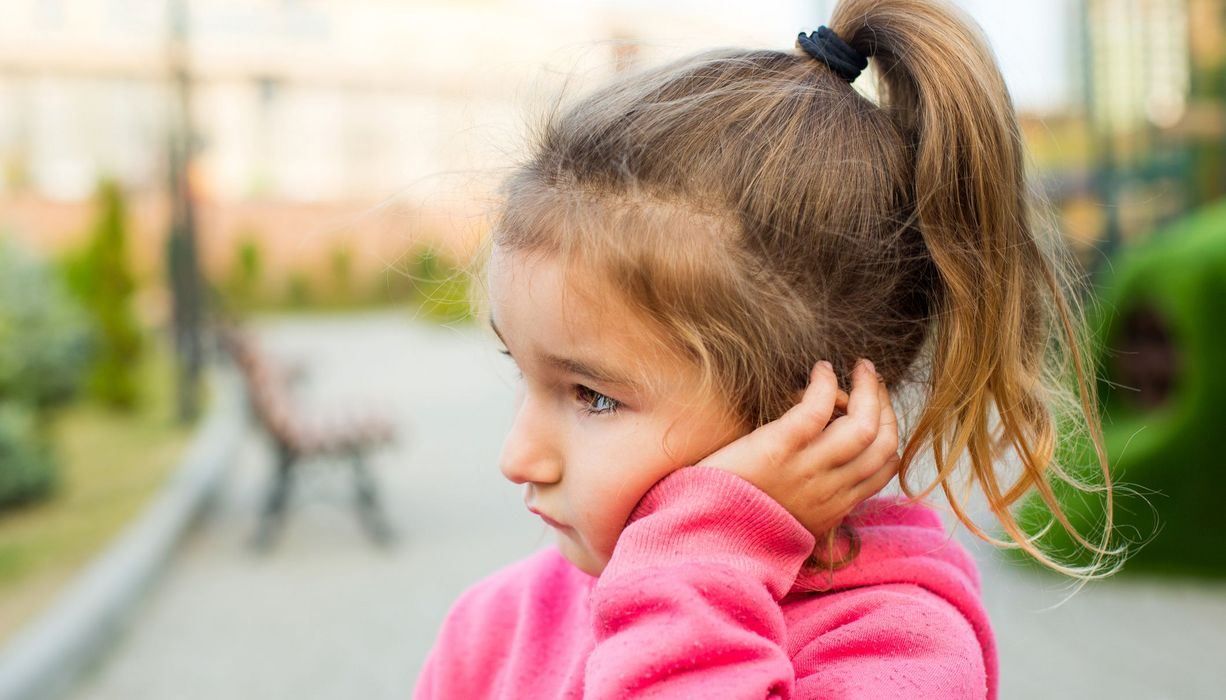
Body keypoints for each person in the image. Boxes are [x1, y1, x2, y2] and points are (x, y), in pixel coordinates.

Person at [414, 0, 1121, 697]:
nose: (516, 458)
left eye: (594, 396)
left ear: (813, 415)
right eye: (522, 369)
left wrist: (702, 552)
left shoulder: (898, 650)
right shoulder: (497, 624)